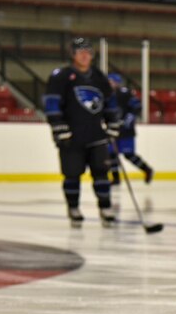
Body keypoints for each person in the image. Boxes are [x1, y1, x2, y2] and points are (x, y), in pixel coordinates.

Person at [43, 37, 120, 227]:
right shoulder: (60, 76)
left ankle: (105, 207)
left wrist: (113, 124)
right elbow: (52, 103)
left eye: (88, 52)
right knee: (72, 173)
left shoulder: (99, 77)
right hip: (72, 136)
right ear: (73, 55)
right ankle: (74, 208)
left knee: (102, 172)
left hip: (96, 134)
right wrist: (58, 126)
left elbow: (110, 102)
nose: (85, 56)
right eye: (80, 52)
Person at [106, 73, 154, 186]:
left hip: (126, 131)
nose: (109, 83)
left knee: (129, 154)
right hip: (112, 129)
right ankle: (116, 178)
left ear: (117, 83)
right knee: (111, 154)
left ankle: (147, 169)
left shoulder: (125, 93)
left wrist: (129, 119)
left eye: (111, 81)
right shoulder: (106, 94)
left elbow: (137, 106)